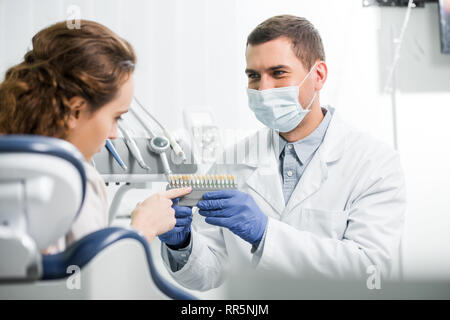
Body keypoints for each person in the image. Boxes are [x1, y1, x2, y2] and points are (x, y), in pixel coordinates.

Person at [158, 15, 406, 291]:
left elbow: (369, 272)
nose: (263, 89)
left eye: (278, 73)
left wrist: (266, 234)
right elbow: (208, 274)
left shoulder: (374, 164)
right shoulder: (234, 159)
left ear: (319, 76)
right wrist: (181, 243)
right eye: (254, 76)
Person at [0, 20, 191, 252]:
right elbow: (91, 283)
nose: (114, 134)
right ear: (75, 110)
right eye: (116, 117)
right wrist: (143, 228)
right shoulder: (77, 181)